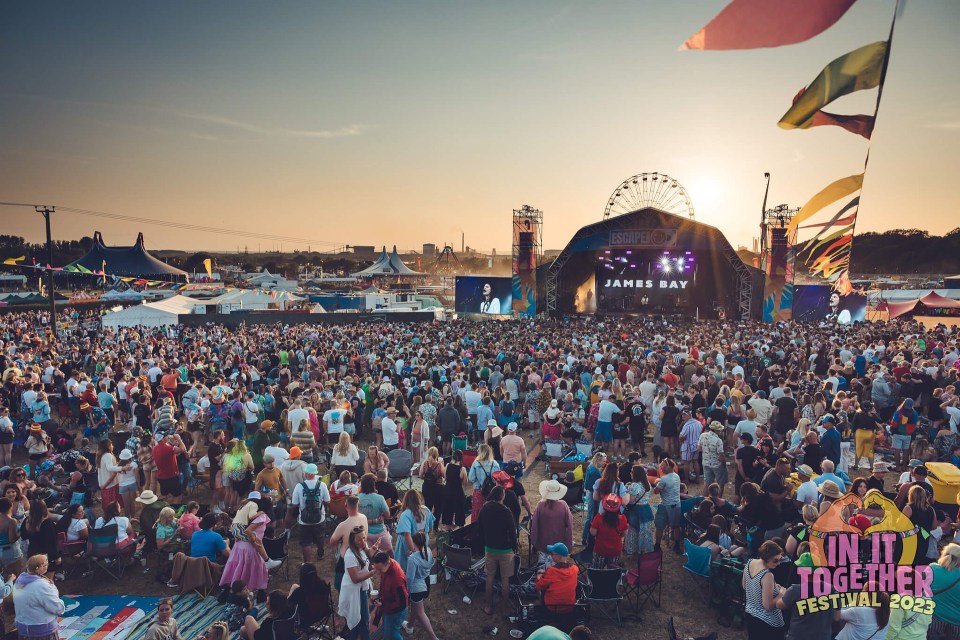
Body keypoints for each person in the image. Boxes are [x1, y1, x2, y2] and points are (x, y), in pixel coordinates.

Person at [477, 485, 517, 616]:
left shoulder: (485, 508)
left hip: (490, 548)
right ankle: (504, 608)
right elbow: (513, 531)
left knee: (489, 577)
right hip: (505, 550)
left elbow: (479, 526)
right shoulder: (506, 511)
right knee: (505, 579)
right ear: (502, 496)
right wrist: (514, 546)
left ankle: (488, 606)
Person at [13, 555, 65, 640]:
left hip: (23, 628)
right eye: (45, 565)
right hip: (42, 630)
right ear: (38, 568)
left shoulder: (18, 582)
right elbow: (56, 607)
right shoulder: (41, 585)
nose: (47, 567)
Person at [743, 540, 786, 640]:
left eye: (780, 559)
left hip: (750, 615)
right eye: (775, 560)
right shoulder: (767, 575)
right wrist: (781, 593)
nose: (778, 563)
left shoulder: (750, 562)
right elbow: (767, 606)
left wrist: (772, 588)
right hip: (768, 623)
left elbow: (745, 586)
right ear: (766, 558)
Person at [290, 463, 330, 563]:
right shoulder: (322, 485)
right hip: (320, 518)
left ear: (306, 473)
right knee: (320, 537)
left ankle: (308, 562)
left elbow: (294, 504)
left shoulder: (299, 486)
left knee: (306, 543)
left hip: (304, 520)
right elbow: (327, 501)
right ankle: (320, 554)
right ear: (315, 474)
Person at [403, 531, 439, 640]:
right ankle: (409, 626)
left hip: (417, 587)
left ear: (414, 543)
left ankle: (434, 638)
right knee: (416, 606)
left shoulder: (412, 560)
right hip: (426, 584)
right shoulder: (428, 550)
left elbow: (410, 578)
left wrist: (406, 591)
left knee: (420, 613)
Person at [340, 526, 375, 640]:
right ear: (352, 541)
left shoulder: (361, 549)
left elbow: (365, 564)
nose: (363, 541)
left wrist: (372, 552)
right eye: (359, 539)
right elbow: (355, 578)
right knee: (362, 621)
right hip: (354, 592)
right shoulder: (350, 555)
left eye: (364, 538)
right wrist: (372, 572)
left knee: (358, 621)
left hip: (361, 589)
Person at [530, 479, 573, 566]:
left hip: (543, 543)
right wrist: (569, 542)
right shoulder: (563, 505)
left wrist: (534, 539)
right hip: (559, 544)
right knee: (558, 569)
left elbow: (534, 524)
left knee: (543, 569)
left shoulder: (540, 505)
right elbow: (570, 525)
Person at [394, 489, 435, 572]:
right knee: (420, 562)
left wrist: (413, 550)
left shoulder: (405, 514)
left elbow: (407, 534)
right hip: (423, 540)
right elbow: (431, 528)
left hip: (410, 544)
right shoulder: (426, 510)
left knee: (408, 566)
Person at [371, 550, 408, 640]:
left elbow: (402, 603)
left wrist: (384, 605)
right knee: (387, 631)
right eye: (376, 568)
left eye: (380, 570)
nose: (378, 572)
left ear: (387, 564)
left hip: (396, 611)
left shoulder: (397, 580)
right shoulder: (388, 563)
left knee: (391, 635)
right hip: (388, 606)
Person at [534, 542, 579, 612]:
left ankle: (541, 607)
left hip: (552, 607)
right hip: (569, 606)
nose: (551, 556)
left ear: (559, 557)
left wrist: (539, 575)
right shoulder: (575, 569)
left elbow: (539, 586)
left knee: (540, 587)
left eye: (552, 554)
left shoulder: (552, 570)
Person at [589, 494, 628, 569]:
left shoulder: (599, 518)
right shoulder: (622, 519)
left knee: (597, 570)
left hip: (600, 549)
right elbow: (625, 533)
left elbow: (593, 532)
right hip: (615, 550)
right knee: (613, 572)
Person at [654, 458, 681, 552]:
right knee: (676, 526)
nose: (661, 468)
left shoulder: (664, 479)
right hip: (676, 505)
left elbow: (656, 491)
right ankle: (677, 545)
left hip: (665, 505)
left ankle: (657, 545)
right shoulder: (677, 476)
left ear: (669, 466)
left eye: (663, 466)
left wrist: (656, 483)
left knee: (659, 527)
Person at [358, 474, 392, 551]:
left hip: (363, 532)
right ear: (373, 485)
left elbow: (356, 517)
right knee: (390, 553)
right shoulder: (380, 498)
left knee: (368, 555)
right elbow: (387, 515)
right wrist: (376, 520)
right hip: (379, 531)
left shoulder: (357, 498)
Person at [467, 444, 500, 522]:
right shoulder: (495, 464)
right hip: (492, 492)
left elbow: (471, 478)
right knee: (491, 512)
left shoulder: (476, 463)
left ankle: (477, 531)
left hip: (479, 491)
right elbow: (498, 479)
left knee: (478, 512)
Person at [0, 498, 23, 575]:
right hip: (11, 551)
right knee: (16, 577)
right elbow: (12, 539)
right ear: (11, 506)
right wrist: (20, 531)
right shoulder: (11, 521)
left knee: (4, 578)